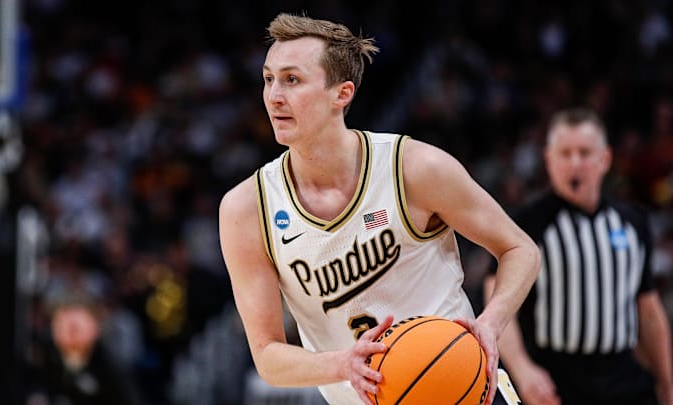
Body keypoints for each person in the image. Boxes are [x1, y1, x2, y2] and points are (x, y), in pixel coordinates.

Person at [218, 12, 540, 405]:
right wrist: (342, 365)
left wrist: (491, 323)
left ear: (342, 93)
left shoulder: (415, 168)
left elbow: (519, 249)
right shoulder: (246, 209)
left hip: (466, 389)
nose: (274, 96)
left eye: (292, 80)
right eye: (268, 79)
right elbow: (267, 356)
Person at [484, 107, 673, 405]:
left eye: (584, 153)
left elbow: (648, 310)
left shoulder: (633, 222)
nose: (575, 163)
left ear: (605, 159)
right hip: (556, 377)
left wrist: (666, 382)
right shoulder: (528, 222)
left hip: (622, 375)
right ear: (549, 160)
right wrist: (522, 369)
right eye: (565, 153)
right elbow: (495, 296)